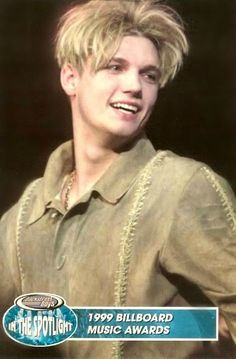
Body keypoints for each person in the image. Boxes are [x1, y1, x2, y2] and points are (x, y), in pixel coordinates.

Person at [0, 0, 236, 358]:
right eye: (115, 67)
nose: (135, 86)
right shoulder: (23, 217)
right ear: (70, 77)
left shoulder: (182, 188)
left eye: (149, 75)